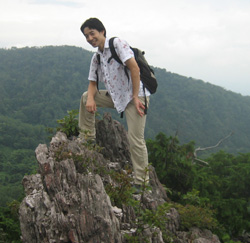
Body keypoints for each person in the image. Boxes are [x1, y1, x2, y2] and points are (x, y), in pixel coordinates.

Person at [78, 17, 150, 192]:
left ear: (102, 31)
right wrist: (90, 98)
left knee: (135, 139)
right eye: (86, 36)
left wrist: (134, 96)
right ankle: (87, 137)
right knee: (85, 96)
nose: (89, 39)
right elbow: (93, 83)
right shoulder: (97, 57)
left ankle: (142, 182)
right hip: (116, 97)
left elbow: (134, 68)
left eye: (92, 33)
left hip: (136, 96)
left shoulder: (117, 44)